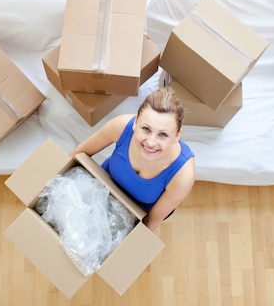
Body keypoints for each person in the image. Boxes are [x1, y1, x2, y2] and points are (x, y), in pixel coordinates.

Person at [70, 86, 195, 231]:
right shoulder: (121, 126)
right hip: (101, 188)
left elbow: (149, 224)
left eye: (163, 135)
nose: (150, 143)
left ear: (177, 136)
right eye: (146, 129)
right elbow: (76, 156)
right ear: (136, 122)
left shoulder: (183, 175)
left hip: (131, 216)